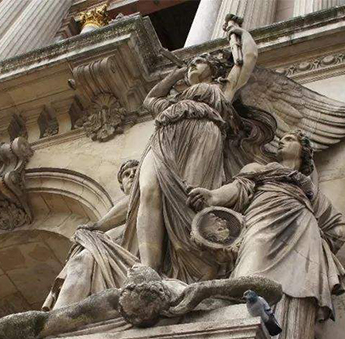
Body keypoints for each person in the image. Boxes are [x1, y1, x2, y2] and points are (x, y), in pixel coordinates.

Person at [187, 133, 345, 339]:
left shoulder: (310, 191)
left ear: (304, 151)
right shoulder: (258, 169)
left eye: (290, 138)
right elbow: (238, 189)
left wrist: (320, 242)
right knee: (248, 280)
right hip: (262, 224)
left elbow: (340, 228)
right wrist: (212, 197)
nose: (282, 141)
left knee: (296, 292)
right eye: (282, 139)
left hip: (303, 235)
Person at [122, 15, 260, 283]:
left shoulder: (222, 88)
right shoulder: (175, 100)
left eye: (199, 61)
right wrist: (176, 73)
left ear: (213, 69)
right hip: (163, 138)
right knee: (149, 190)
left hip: (202, 135)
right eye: (192, 63)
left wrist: (237, 31)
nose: (193, 64)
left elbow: (249, 57)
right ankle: (148, 269)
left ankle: (194, 264)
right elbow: (151, 99)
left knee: (191, 195)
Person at [42, 160, 139, 310]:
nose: (132, 175)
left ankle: (60, 313)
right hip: (111, 254)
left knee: (84, 259)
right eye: (126, 174)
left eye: (136, 171)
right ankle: (60, 313)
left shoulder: (145, 193)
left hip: (130, 255)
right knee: (80, 261)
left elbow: (129, 203)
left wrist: (96, 226)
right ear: (122, 185)